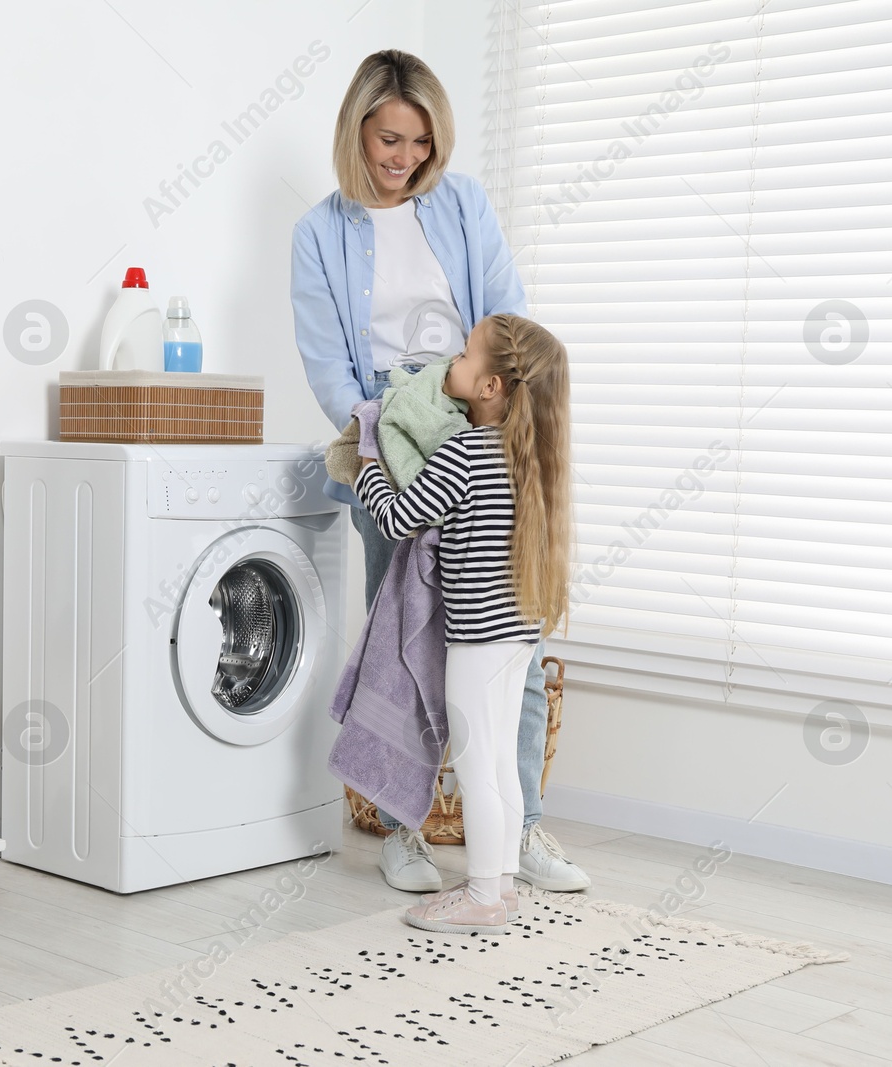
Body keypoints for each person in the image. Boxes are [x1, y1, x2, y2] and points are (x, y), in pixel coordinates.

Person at [291, 49, 590, 895]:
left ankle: (522, 825)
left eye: (421, 142)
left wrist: (489, 410)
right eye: (390, 138)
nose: (405, 158)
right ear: (357, 129)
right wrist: (376, 439)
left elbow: (506, 310)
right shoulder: (320, 231)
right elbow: (327, 361)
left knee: (513, 629)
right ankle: (403, 830)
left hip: (480, 404)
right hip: (389, 418)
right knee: (405, 637)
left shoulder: (461, 204)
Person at [355, 314, 570, 933]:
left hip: (475, 639)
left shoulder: (464, 452)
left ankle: (478, 896)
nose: (452, 359)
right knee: (501, 761)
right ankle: (500, 885)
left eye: (465, 354)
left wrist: (370, 452)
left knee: (477, 763)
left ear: (491, 387)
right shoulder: (531, 456)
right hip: (519, 634)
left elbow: (399, 518)